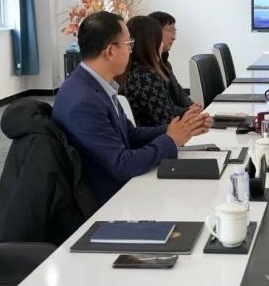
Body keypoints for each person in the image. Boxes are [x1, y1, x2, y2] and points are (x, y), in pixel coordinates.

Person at [53, 11, 211, 204]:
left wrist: (173, 130)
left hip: (121, 186)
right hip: (109, 201)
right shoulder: (83, 101)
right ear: (110, 51)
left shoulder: (95, 85)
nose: (131, 51)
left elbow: (130, 134)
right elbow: (122, 165)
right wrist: (170, 140)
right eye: (128, 44)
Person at [121, 16, 182, 128]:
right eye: (159, 40)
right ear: (150, 43)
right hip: (156, 137)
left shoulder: (133, 71)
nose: (162, 45)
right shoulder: (146, 76)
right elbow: (166, 123)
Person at [148, 10, 195, 114]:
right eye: (170, 30)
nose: (174, 37)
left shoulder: (165, 63)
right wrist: (189, 111)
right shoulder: (146, 72)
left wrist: (193, 106)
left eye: (174, 32)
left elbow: (179, 93)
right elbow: (164, 108)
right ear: (155, 32)